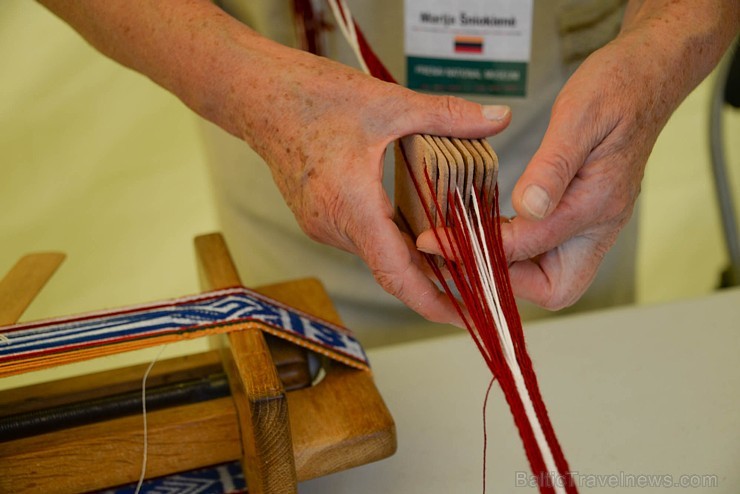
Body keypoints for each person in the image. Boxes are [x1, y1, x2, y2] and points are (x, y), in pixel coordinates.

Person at [38, 0, 739, 340]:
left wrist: (670, 39)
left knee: (570, 371)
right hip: (278, 73)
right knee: (318, 385)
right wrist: (247, 93)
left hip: (559, 83)